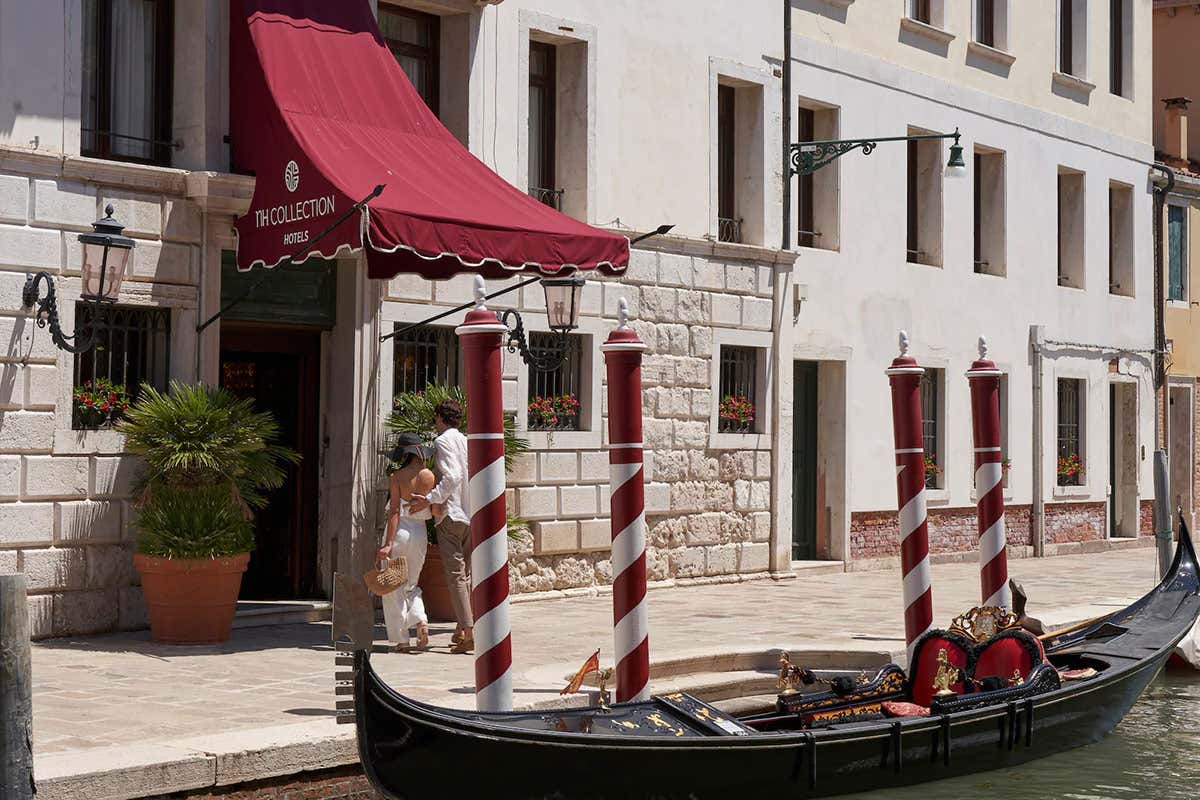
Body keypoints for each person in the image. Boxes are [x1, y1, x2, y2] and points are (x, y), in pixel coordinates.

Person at [409, 399, 473, 653]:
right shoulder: (467, 441)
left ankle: (468, 631)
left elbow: (453, 475)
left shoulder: (443, 441)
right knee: (465, 575)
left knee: (456, 575)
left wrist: (432, 497)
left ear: (440, 417)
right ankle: (460, 629)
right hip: (469, 513)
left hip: (451, 513)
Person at [377, 433, 435, 652]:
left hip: (400, 531)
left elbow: (394, 512)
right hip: (420, 534)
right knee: (411, 584)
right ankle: (420, 619)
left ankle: (402, 640)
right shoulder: (429, 476)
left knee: (393, 587)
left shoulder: (397, 476)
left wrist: (388, 544)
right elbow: (436, 507)